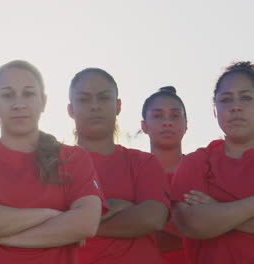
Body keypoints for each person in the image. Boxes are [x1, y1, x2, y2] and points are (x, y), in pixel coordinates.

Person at [0, 60, 103, 264]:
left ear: (43, 102)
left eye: (28, 93)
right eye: (8, 95)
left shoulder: (73, 158)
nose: (18, 104)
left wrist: (2, 233)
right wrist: (54, 215)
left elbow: (86, 224)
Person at [68, 68, 170, 264]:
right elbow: (42, 221)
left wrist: (75, 224)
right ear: (71, 109)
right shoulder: (54, 164)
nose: (95, 106)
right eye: (84, 99)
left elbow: (152, 218)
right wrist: (115, 208)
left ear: (118, 106)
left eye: (104, 98)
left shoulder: (143, 162)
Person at [171, 61, 254, 264]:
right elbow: (191, 224)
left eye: (246, 98)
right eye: (226, 99)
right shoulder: (196, 162)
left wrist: (217, 210)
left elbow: (206, 219)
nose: (235, 107)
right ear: (215, 107)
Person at [141, 86, 188, 264]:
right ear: (144, 126)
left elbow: (211, 226)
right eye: (158, 115)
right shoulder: (131, 171)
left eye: (175, 115)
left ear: (186, 125)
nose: (167, 122)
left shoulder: (204, 169)